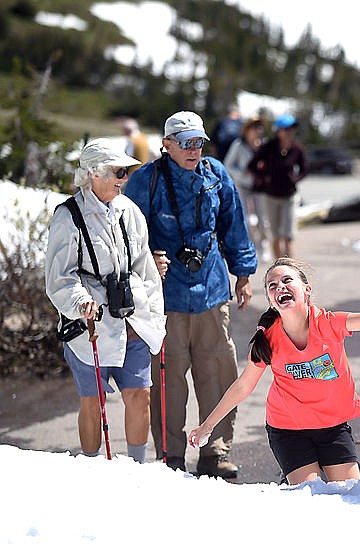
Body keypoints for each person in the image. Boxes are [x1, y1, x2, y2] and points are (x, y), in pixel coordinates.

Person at [188, 258, 360, 485]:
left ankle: (347, 474)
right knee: (312, 493)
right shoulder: (268, 339)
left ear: (306, 290)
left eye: (287, 280)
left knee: (348, 493)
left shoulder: (328, 324)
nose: (280, 287)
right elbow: (243, 386)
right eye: (272, 286)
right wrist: (207, 426)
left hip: (332, 428)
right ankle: (295, 477)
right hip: (288, 431)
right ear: (271, 301)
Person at [124, 110, 258, 478]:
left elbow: (234, 223)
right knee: (168, 381)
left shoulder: (216, 174)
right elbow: (128, 234)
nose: (194, 150)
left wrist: (243, 274)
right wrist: (148, 256)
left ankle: (216, 451)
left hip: (212, 293)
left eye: (199, 142)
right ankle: (171, 456)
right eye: (185, 143)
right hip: (164, 300)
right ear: (166, 145)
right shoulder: (146, 181)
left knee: (218, 372)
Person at [45, 138, 166, 464]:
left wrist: (155, 319)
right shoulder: (68, 216)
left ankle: (137, 468)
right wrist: (80, 301)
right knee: (92, 400)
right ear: (93, 174)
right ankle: (92, 465)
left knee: (140, 395)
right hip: (89, 329)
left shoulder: (130, 211)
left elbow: (146, 272)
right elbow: (60, 277)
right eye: (118, 172)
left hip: (132, 320)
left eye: (125, 172)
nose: (123, 179)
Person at [247, 114, 308, 260]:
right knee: (275, 234)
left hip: (289, 196)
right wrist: (264, 177)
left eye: (291, 129)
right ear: (278, 131)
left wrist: (295, 179)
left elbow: (305, 169)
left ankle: (291, 268)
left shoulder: (297, 149)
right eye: (286, 129)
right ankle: (279, 266)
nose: (289, 133)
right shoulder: (269, 147)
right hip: (271, 195)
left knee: (288, 234)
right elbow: (252, 165)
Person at [224, 116, 271, 262]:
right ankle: (254, 246)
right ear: (247, 131)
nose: (258, 131)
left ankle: (264, 245)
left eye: (259, 128)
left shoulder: (264, 145)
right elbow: (228, 164)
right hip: (243, 186)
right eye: (254, 128)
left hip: (260, 186)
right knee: (244, 217)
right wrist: (241, 174)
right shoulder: (238, 145)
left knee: (263, 218)